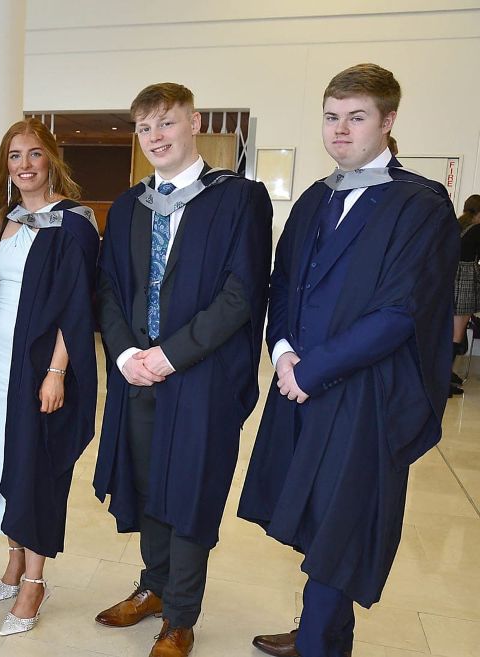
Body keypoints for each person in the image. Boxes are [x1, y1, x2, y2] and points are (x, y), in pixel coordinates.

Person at [240, 63, 459, 657]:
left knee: (343, 524)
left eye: (356, 117)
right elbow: (283, 283)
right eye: (332, 117)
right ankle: (321, 628)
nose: (340, 130)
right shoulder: (317, 196)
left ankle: (318, 643)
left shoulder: (419, 203)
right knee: (314, 514)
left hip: (366, 393)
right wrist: (283, 351)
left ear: (388, 122)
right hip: (300, 383)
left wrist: (310, 371)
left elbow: (401, 311)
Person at [93, 82, 272, 657]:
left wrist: (170, 355)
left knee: (191, 488)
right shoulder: (128, 206)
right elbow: (110, 291)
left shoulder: (238, 199)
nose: (156, 137)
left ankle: (181, 615)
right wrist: (124, 354)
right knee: (147, 483)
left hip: (201, 375)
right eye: (144, 128)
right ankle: (153, 586)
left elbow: (242, 293)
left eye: (166, 123)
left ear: (195, 123)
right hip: (137, 371)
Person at [0, 118, 100, 636]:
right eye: (14, 156)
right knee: (1, 458)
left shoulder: (75, 224)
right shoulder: (4, 220)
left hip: (39, 366)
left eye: (34, 154)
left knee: (35, 467)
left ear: (52, 159)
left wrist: (57, 370)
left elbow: (78, 306)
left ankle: (35, 582)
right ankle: (14, 558)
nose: (25, 165)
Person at [452, 194, 480, 394]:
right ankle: (444, 380)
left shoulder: (457, 225)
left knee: (447, 332)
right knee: (457, 333)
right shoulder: (477, 230)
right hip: (465, 281)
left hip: (449, 281)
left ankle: (445, 373)